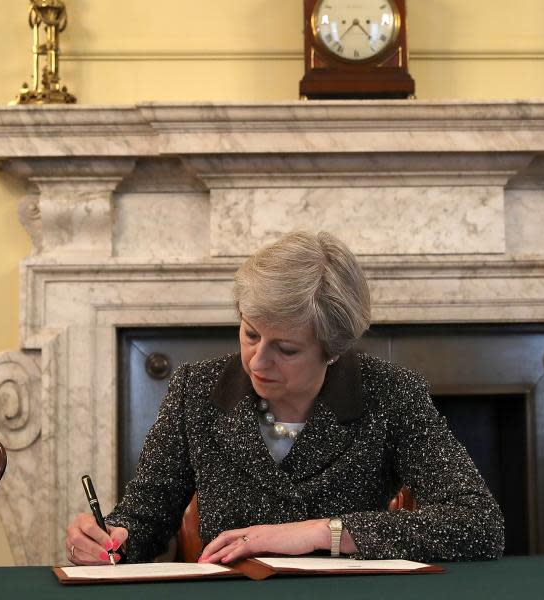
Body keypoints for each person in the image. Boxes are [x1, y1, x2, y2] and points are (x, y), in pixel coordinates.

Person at [65, 231, 504, 565]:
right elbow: (144, 519)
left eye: (286, 349)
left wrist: (320, 533)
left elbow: (478, 526)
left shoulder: (390, 394)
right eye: (250, 333)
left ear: (331, 349)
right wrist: (109, 541)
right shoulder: (195, 391)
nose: (258, 360)